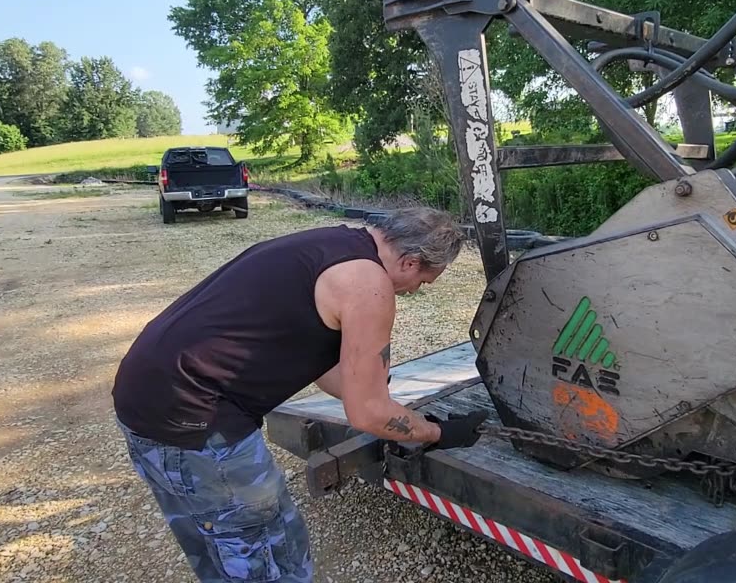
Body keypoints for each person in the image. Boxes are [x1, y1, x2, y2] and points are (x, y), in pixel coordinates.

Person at [111, 207, 490, 582]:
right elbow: (368, 414)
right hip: (196, 414)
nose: (417, 291)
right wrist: (435, 432)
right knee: (259, 550)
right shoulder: (369, 285)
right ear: (409, 262)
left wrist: (381, 400)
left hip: (144, 392)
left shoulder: (334, 244)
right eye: (425, 281)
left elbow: (324, 367)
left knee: (219, 540)